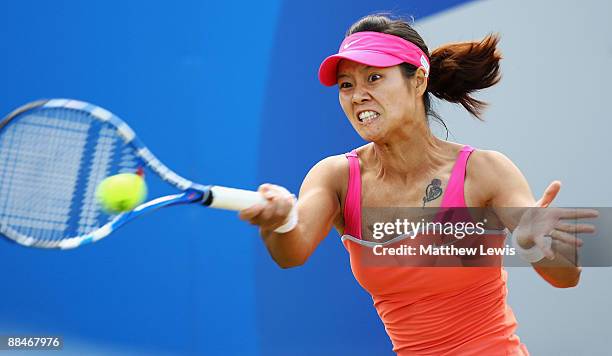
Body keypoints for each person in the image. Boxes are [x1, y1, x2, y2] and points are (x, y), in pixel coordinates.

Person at [239, 14, 596, 355]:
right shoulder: (335, 177)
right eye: (346, 85)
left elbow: (566, 277)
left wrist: (535, 244)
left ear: (418, 80)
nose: (357, 95)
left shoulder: (485, 171)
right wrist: (279, 221)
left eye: (374, 78)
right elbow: (291, 253)